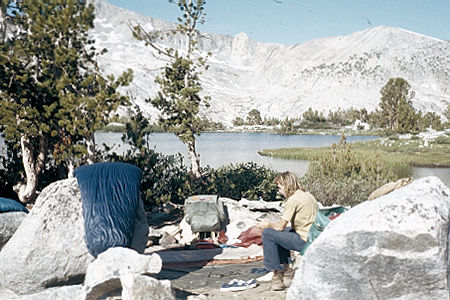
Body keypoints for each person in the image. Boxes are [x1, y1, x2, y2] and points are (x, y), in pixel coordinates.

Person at [256, 171, 318, 291]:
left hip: (305, 241)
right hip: (313, 236)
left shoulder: (293, 200)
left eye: (279, 187)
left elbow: (279, 226)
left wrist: (268, 224)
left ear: (287, 185)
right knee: (283, 233)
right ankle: (286, 269)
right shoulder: (307, 195)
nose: (279, 191)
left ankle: (275, 272)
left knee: (268, 234)